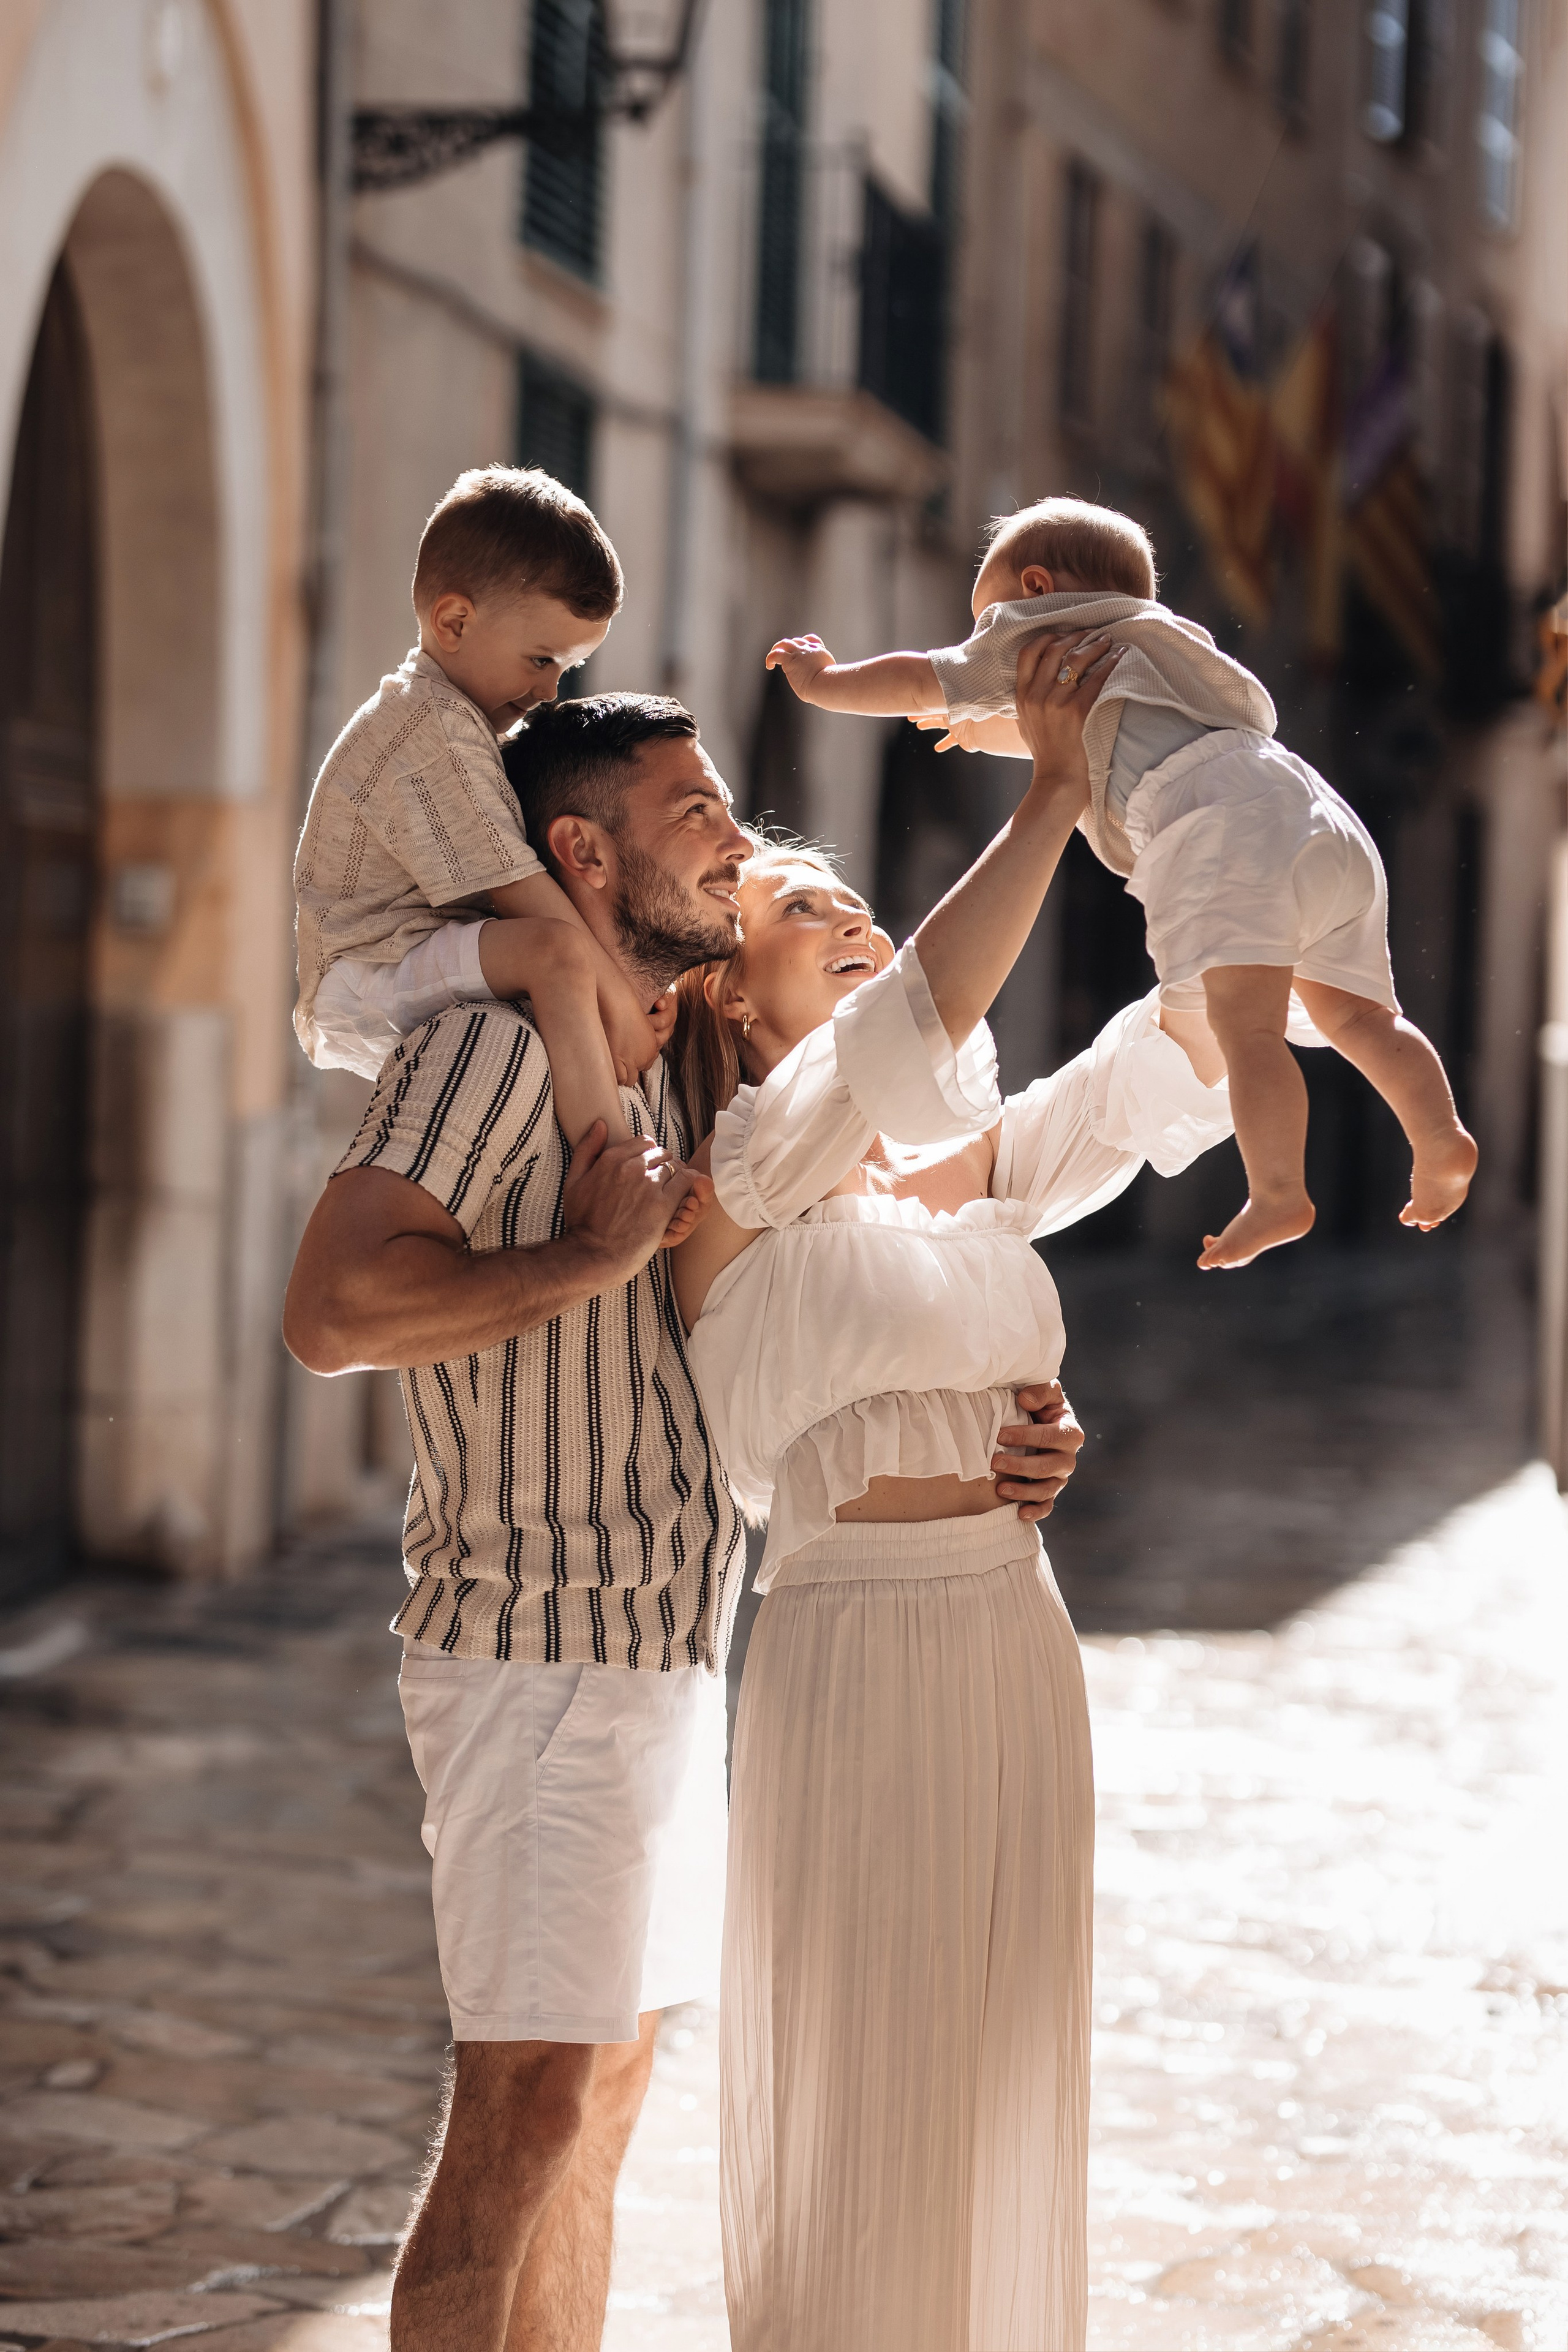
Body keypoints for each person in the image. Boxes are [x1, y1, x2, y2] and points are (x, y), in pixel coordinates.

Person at [281, 690, 1077, 2352]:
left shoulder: (662, 1071)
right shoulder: (491, 1053)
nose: (734, 836)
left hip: (665, 1651)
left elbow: (831, 1288)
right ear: (584, 850)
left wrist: (1003, 1416)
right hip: (532, 1652)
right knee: (521, 2126)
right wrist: (577, 1264)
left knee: (596, 2120)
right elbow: (333, 1306)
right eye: (693, 810)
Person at [668, 628, 1238, 2352]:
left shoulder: (969, 1178)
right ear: (726, 996)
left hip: (1016, 1643)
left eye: (854, 904)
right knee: (863, 2095)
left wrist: (1211, 804)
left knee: (996, 2081)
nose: (849, 926)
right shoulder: (740, 1180)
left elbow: (1168, 1065)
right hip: (854, 1662)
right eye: (805, 921)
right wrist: (1052, 787)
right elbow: (922, 1014)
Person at [764, 492, 1476, 1270]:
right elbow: (1095, 736)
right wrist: (981, 730)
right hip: (1311, 814)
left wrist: (824, 680)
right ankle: (1440, 1138)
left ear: (1034, 589)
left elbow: (917, 681)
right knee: (1361, 1017)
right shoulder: (1161, 643)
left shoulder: (1040, 627)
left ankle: (1278, 1191)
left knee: (1249, 1029)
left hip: (1222, 826)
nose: (983, 643)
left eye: (984, 621)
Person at [293, 464, 665, 1139]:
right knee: (554, 954)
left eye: (566, 670)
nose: (551, 690)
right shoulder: (429, 727)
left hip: (414, 949)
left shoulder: (456, 718)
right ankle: (610, 1160)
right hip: (371, 965)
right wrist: (622, 1007)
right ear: (455, 621)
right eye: (540, 660)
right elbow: (523, 894)